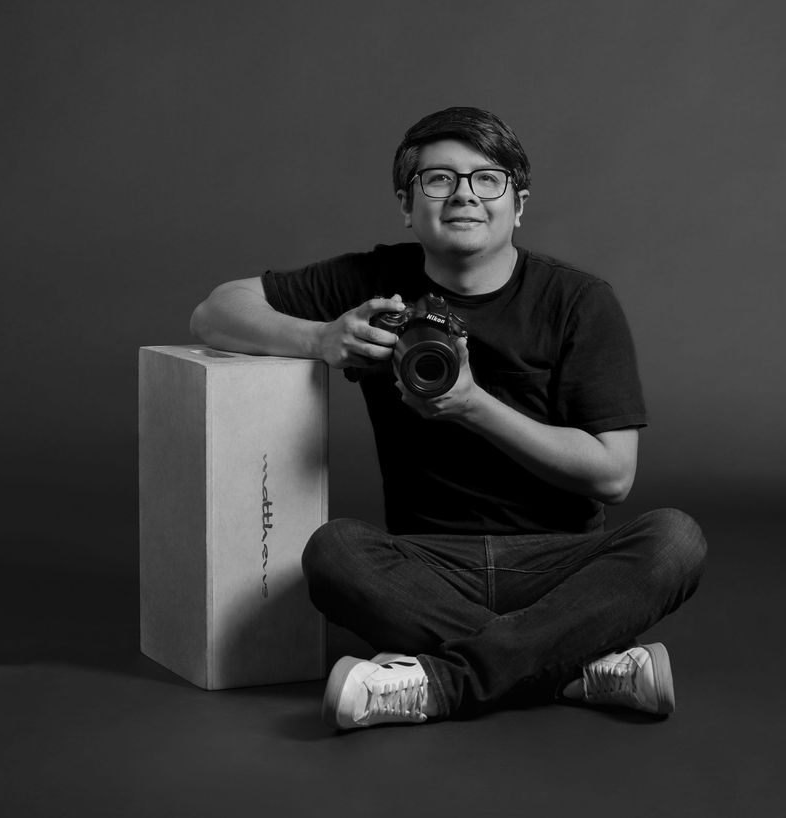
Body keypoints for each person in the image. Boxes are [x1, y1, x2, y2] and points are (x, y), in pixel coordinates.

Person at [190, 106, 707, 731]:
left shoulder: (577, 301)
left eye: (488, 179)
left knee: (674, 540)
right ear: (408, 205)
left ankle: (440, 681)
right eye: (439, 179)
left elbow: (612, 476)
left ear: (517, 205)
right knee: (333, 553)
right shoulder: (376, 281)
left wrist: (472, 405)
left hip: (559, 564)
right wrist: (322, 337)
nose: (465, 194)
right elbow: (215, 311)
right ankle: (573, 665)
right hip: (425, 568)